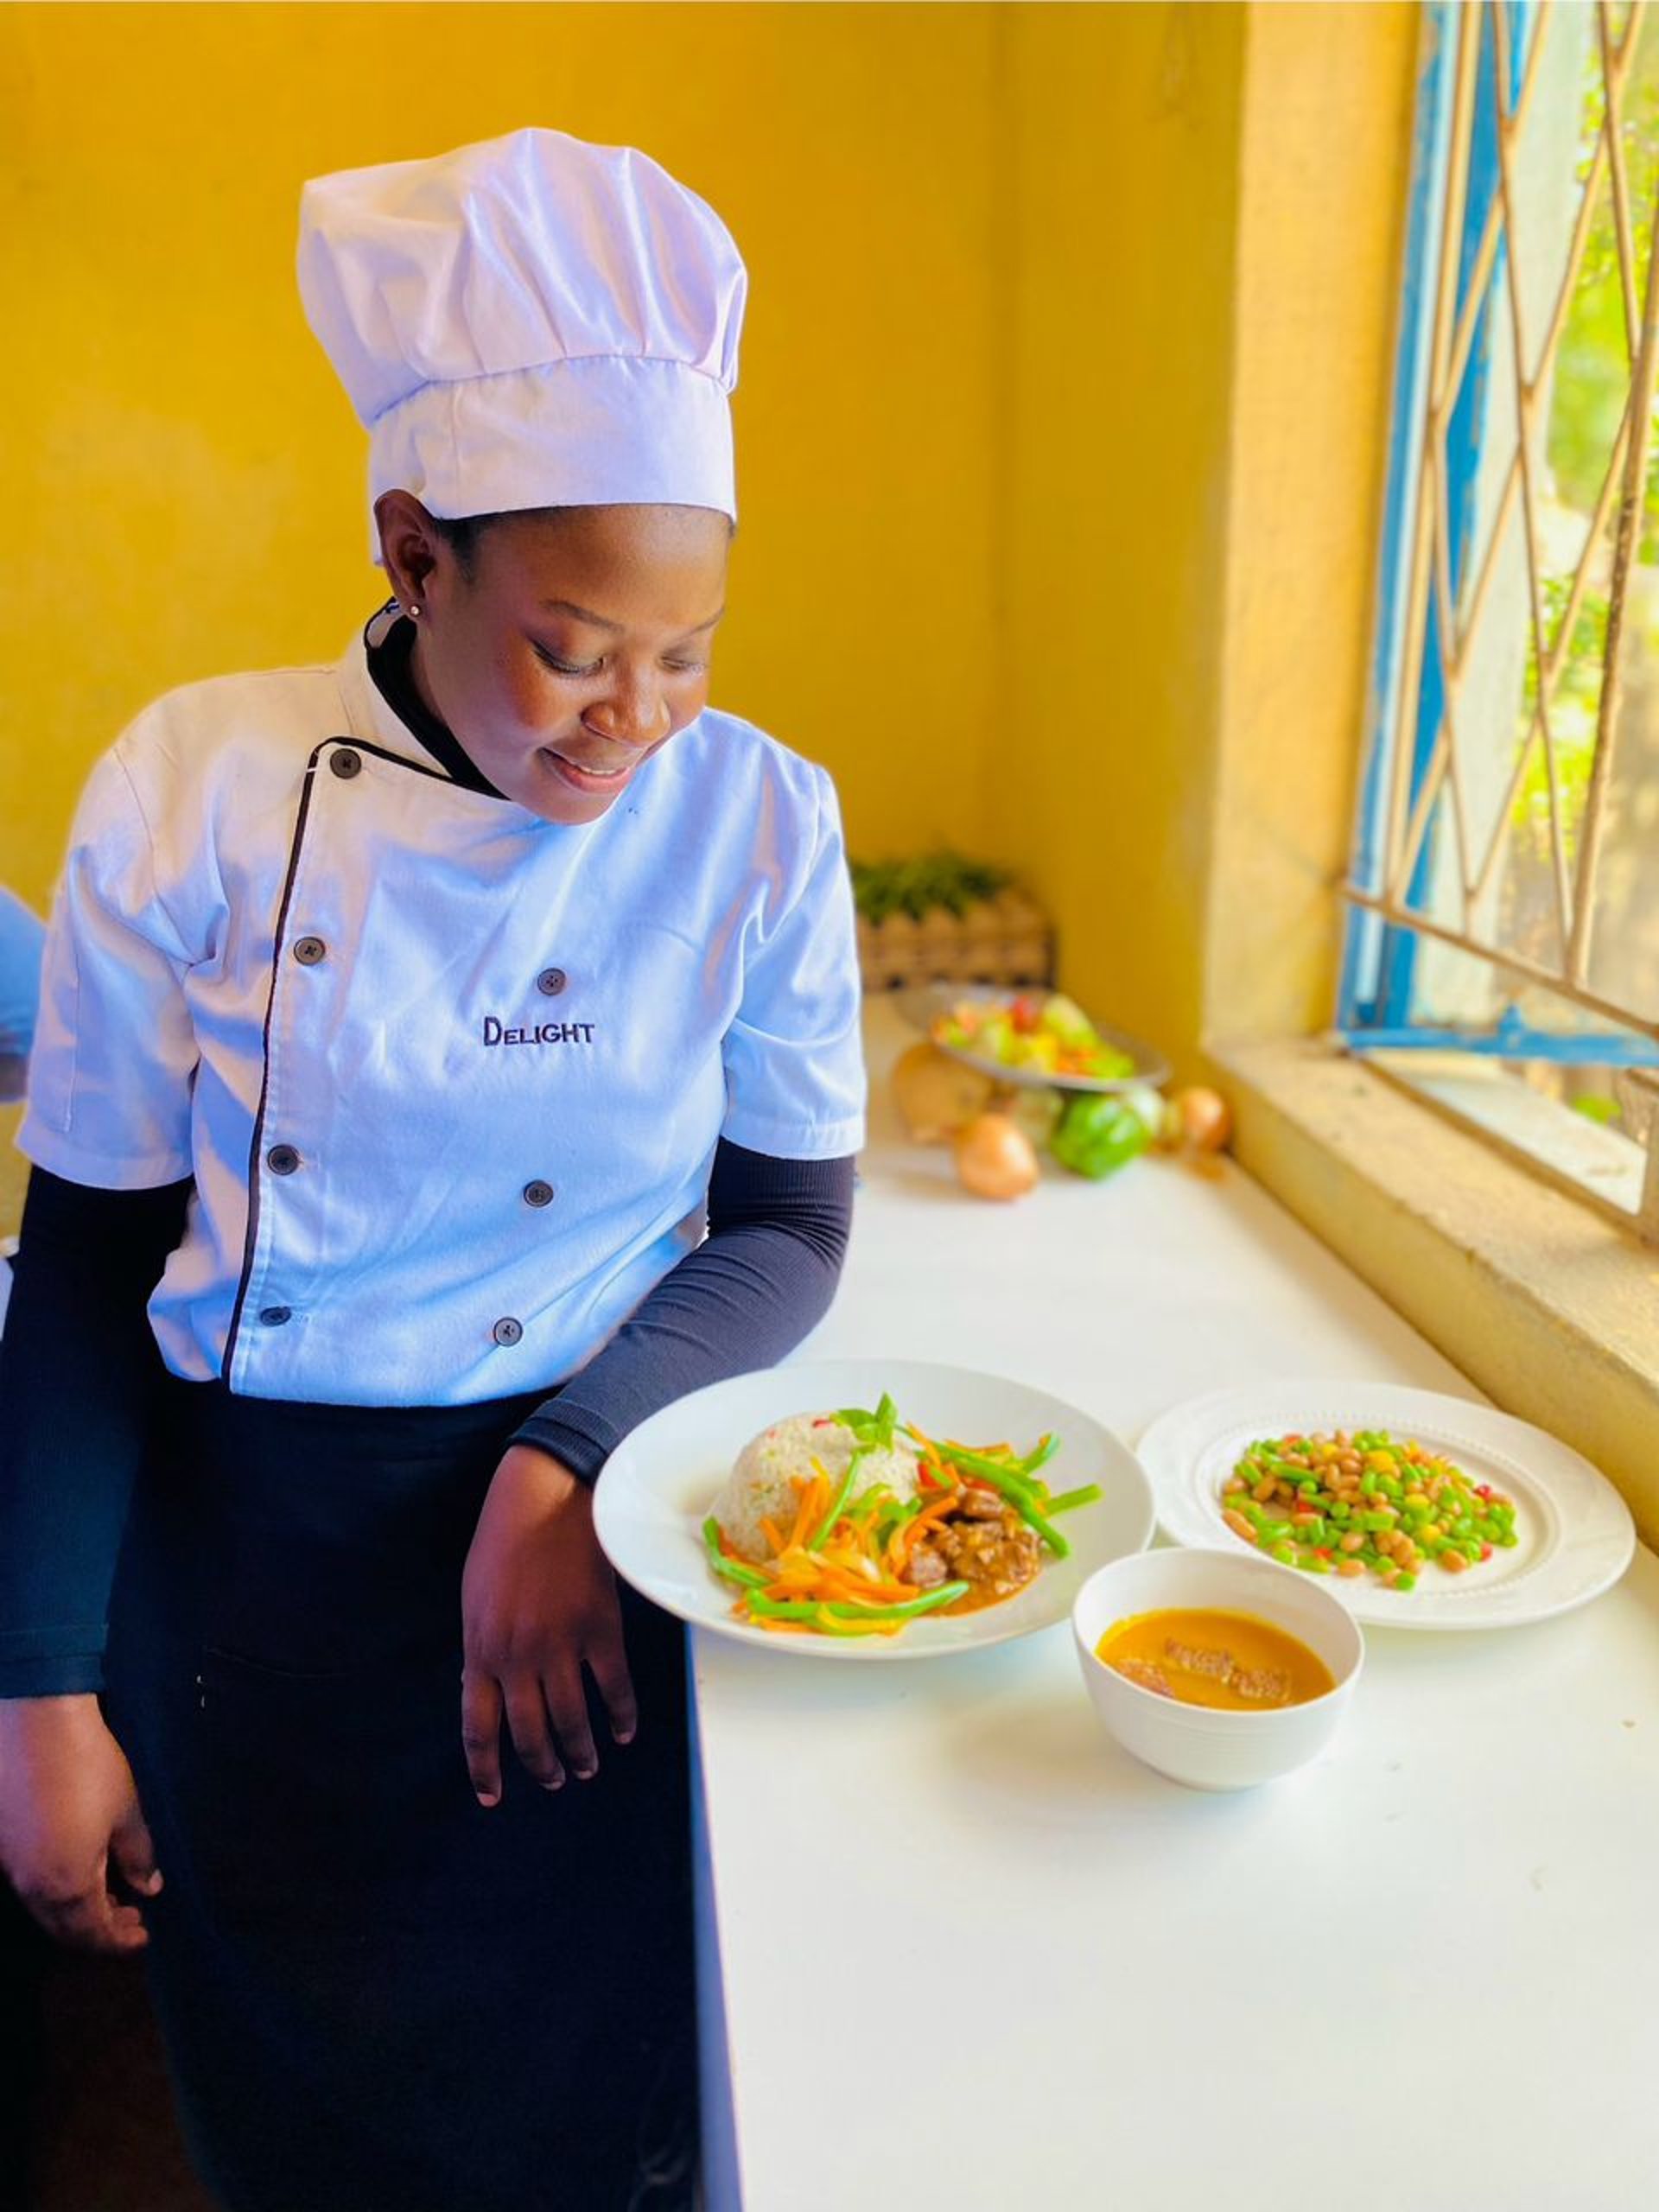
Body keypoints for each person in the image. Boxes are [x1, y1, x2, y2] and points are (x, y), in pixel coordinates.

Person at [0, 128, 864, 2212]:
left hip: (574, 1553)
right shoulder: (197, 790)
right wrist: (36, 1686)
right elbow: (87, 1266)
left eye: (689, 649)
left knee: (583, 2095)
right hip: (243, 1574)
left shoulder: (759, 822)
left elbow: (788, 1227)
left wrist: (572, 1455)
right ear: (414, 550)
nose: (630, 722)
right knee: (294, 2109)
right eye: (577, 645)